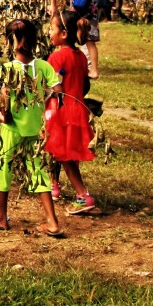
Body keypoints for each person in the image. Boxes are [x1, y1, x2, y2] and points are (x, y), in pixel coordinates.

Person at [0, 19, 64, 236]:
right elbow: (58, 90)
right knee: (38, 170)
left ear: (8, 42)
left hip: (11, 128)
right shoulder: (44, 66)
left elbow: (4, 102)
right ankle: (52, 221)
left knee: (4, 169)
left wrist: (0, 112)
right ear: (35, 40)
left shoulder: (8, 69)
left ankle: (1, 217)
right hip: (36, 128)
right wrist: (44, 102)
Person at [46, 11, 99, 215]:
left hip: (62, 111)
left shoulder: (56, 57)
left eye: (52, 29)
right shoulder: (80, 56)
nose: (50, 32)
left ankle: (83, 195)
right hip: (78, 109)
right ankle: (54, 184)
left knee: (64, 155)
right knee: (63, 152)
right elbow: (84, 84)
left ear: (64, 34)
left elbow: (54, 89)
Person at [65, 0, 101, 79]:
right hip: (91, 11)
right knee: (91, 42)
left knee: (74, 38)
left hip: (80, 12)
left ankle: (76, 67)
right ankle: (94, 70)